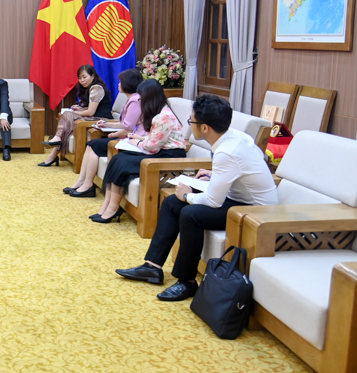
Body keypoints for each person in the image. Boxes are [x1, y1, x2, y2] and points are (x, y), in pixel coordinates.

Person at [115, 95, 278, 301]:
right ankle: (152, 266)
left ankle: (187, 282)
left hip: (254, 212)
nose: (190, 125)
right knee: (172, 202)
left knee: (190, 213)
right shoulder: (233, 137)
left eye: (191, 121)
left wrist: (187, 195)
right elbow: (243, 169)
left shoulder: (227, 152)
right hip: (237, 199)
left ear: (205, 127)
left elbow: (213, 202)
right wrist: (216, 175)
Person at [92, 79, 186, 223]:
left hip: (169, 156)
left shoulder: (163, 116)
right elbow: (155, 139)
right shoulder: (160, 112)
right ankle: (107, 205)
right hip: (160, 151)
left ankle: (113, 208)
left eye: (141, 98)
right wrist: (139, 138)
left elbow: (151, 147)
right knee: (118, 159)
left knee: (122, 163)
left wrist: (137, 142)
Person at [64, 68, 144, 197]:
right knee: (91, 145)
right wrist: (107, 124)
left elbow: (128, 128)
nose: (118, 84)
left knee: (94, 145)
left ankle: (88, 185)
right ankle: (81, 181)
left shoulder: (135, 101)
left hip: (131, 139)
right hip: (127, 136)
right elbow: (125, 123)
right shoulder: (131, 99)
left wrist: (113, 134)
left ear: (128, 83)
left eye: (120, 82)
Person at [39, 65, 113, 167]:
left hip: (102, 120)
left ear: (93, 76)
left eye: (84, 77)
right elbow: (91, 108)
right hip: (94, 117)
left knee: (67, 115)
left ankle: (56, 144)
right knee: (66, 117)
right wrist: (79, 108)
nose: (82, 80)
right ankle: (54, 152)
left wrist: (73, 114)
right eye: (80, 78)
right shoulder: (89, 88)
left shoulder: (96, 88)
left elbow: (91, 112)